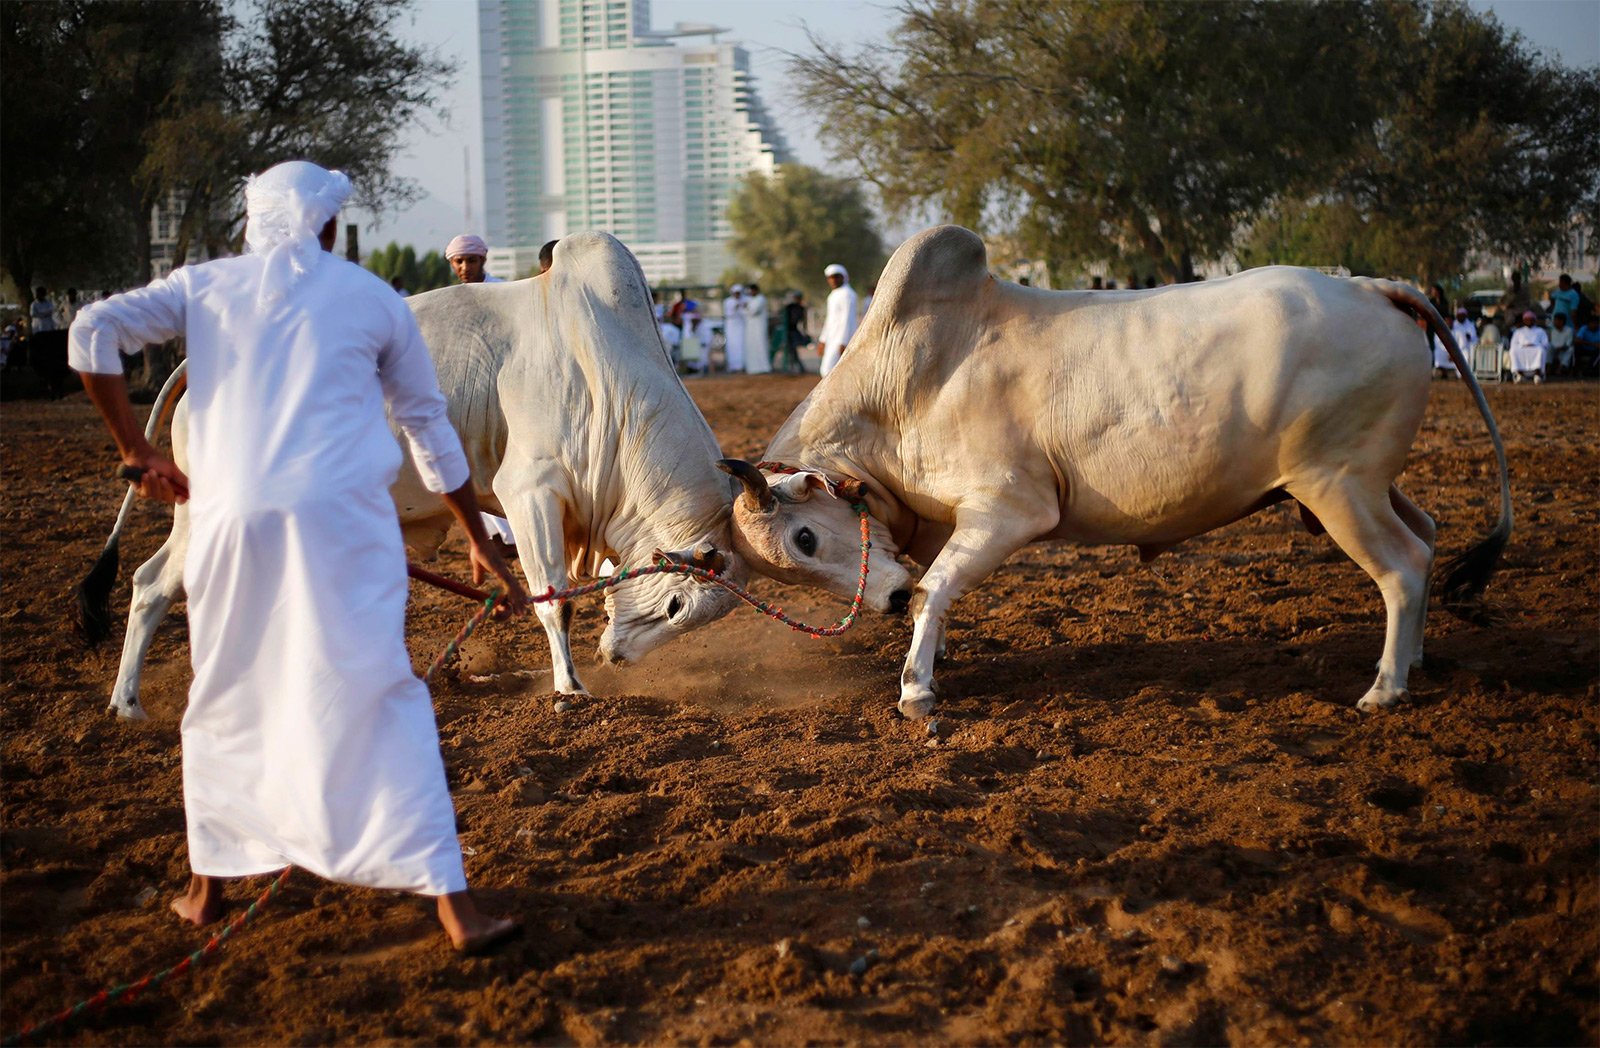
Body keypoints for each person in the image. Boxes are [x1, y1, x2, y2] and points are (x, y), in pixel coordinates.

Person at [68, 160, 527, 954]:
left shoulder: (205, 285)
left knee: (225, 685)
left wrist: (137, 449)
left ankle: (205, 892)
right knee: (382, 693)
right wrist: (480, 538)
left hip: (230, 520)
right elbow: (427, 428)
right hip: (344, 522)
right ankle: (455, 911)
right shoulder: (372, 298)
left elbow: (90, 332)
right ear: (326, 228)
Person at [818, 263, 858, 377]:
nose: (833, 280)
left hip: (842, 338)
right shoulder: (833, 295)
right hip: (832, 337)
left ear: (843, 277)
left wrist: (843, 342)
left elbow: (847, 319)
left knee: (828, 370)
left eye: (836, 276)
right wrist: (823, 340)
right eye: (830, 277)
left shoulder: (848, 294)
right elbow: (829, 319)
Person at [1507, 310, 1549, 383]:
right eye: (1527, 319)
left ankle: (1537, 374)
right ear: (1524, 321)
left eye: (1530, 319)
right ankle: (1520, 374)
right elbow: (1513, 344)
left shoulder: (1540, 330)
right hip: (1522, 349)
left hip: (1535, 348)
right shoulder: (1518, 331)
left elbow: (1545, 343)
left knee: (1540, 351)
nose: (1529, 321)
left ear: (1534, 320)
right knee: (1513, 351)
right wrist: (1523, 345)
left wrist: (1534, 345)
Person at [1436, 306, 1477, 378]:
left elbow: (1462, 344)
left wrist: (1453, 353)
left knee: (1465, 353)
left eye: (1450, 321)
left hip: (1455, 353)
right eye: (1447, 321)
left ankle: (1457, 373)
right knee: (1438, 352)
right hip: (1444, 353)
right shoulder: (1440, 331)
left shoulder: (1460, 330)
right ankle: (1440, 369)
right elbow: (1438, 344)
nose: (1449, 322)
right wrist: (1449, 352)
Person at [744, 282, 771, 375]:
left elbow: (753, 311)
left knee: (760, 345)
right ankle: (754, 368)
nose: (750, 293)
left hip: (759, 327)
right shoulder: (752, 299)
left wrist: (745, 307)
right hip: (751, 327)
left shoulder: (761, 299)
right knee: (752, 346)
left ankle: (764, 367)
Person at [779, 292, 809, 374]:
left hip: (793, 331)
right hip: (788, 331)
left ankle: (796, 368)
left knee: (792, 350)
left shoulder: (800, 308)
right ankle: (794, 367)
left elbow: (802, 322)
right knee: (790, 351)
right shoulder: (790, 307)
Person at [723, 284, 746, 373]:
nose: (737, 295)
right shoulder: (728, 301)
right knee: (732, 345)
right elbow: (728, 313)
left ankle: (741, 365)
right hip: (731, 325)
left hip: (741, 325)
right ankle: (733, 366)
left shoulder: (744, 300)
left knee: (741, 345)